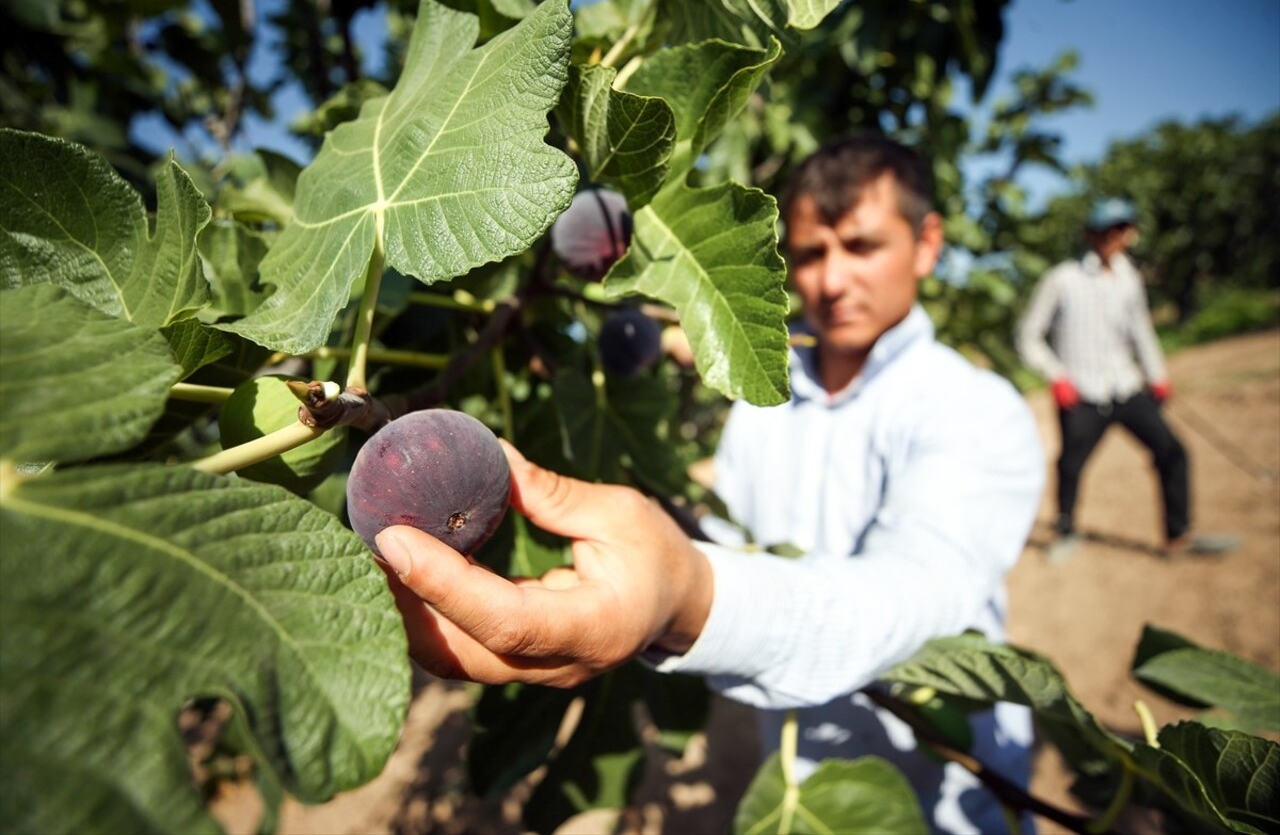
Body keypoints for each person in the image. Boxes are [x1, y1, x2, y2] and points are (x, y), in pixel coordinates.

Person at [373, 133, 1045, 833]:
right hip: (779, 768)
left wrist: (690, 593)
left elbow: (917, 596)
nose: (833, 280)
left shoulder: (975, 408)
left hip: (942, 797)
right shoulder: (763, 400)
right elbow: (732, 537)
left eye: (862, 246)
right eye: (812, 254)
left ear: (927, 243)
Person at [1016, 198, 1226, 559]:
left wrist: (1156, 374)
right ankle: (1066, 531)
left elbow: (1141, 330)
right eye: (1107, 231)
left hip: (1126, 388)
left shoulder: (1130, 277)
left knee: (1173, 452)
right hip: (1082, 393)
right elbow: (1028, 335)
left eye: (1120, 230)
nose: (1115, 238)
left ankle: (1178, 534)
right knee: (1071, 464)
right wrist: (1057, 376)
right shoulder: (1062, 279)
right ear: (1091, 235)